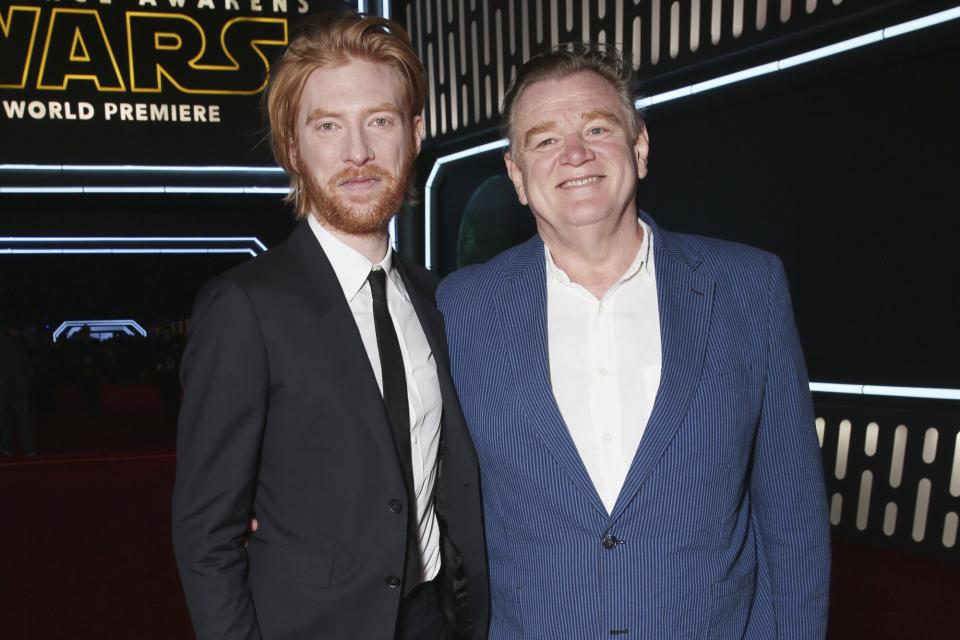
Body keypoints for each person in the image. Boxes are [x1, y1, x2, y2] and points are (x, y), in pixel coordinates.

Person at [437, 46, 830, 639]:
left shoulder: (747, 288)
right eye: (544, 140)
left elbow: (793, 515)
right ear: (516, 175)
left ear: (639, 146)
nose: (575, 153)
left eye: (597, 127)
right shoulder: (462, 308)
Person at [172, 13, 488, 640]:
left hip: (435, 621)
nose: (358, 152)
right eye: (327, 125)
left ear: (414, 133)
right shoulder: (244, 306)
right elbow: (206, 534)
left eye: (379, 120)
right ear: (293, 147)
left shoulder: (439, 299)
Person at [0, 331, 36, 456]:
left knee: (3, 419)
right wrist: (26, 384)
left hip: (2, 387)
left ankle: (6, 447)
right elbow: (28, 368)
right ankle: (29, 448)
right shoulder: (17, 345)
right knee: (24, 418)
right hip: (20, 384)